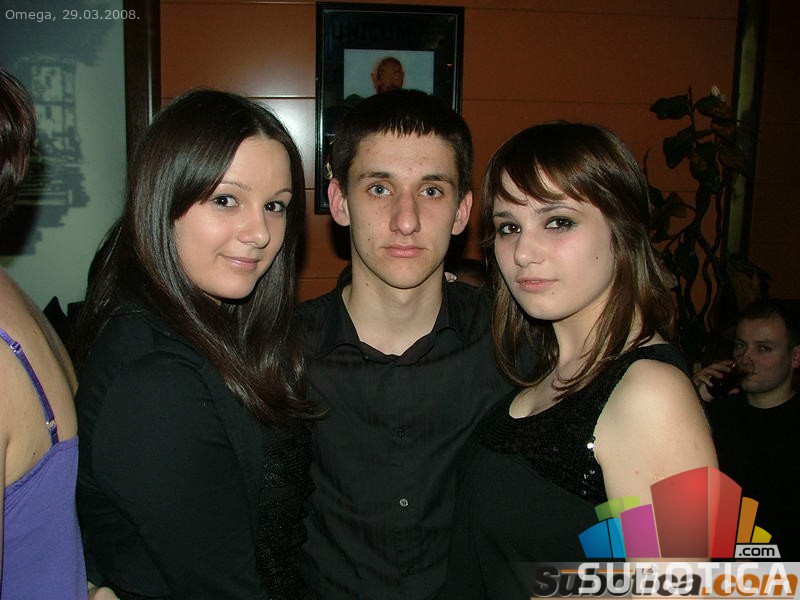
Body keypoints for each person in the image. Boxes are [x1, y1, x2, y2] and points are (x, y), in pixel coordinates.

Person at [443, 122, 718, 599]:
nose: (523, 252)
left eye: (558, 221)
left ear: (622, 228)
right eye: (509, 227)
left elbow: (682, 590)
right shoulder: (547, 372)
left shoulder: (651, 395)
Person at [73, 89, 315, 599]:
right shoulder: (157, 383)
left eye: (275, 206)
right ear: (164, 201)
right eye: (226, 200)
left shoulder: (214, 327)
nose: (260, 232)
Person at [297, 89, 513, 599]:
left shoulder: (514, 340)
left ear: (461, 212)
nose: (406, 220)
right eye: (379, 188)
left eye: (431, 191)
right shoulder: (279, 354)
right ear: (339, 202)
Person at [694, 299, 800, 560]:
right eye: (740, 346)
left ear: (795, 357)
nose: (745, 358)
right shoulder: (716, 413)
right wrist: (691, 402)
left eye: (763, 348)